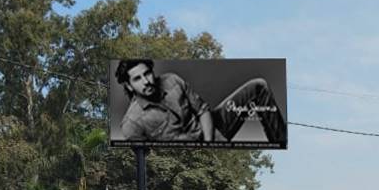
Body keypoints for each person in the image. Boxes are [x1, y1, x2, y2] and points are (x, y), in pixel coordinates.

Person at [115, 59, 286, 144]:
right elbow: (146, 159)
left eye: (147, 73)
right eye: (137, 79)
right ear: (128, 86)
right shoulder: (131, 124)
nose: (147, 81)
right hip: (189, 156)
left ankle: (281, 141)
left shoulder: (172, 80)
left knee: (258, 86)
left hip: (211, 129)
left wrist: (210, 142)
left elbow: (203, 110)